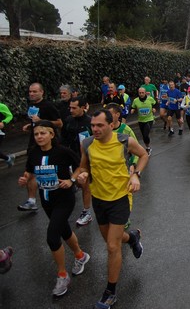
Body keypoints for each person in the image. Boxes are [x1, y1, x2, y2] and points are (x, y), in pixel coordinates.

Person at [73, 109, 148, 309]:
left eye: (100, 125)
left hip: (121, 198)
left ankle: (110, 292)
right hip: (99, 198)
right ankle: (132, 237)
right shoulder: (87, 144)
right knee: (111, 240)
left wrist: (136, 175)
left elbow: (143, 155)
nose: (95, 129)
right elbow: (83, 167)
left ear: (110, 125)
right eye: (93, 126)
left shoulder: (124, 141)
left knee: (112, 247)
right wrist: (81, 176)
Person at [18, 121, 91, 297]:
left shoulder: (63, 152)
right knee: (64, 230)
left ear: (52, 134)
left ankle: (62, 275)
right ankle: (81, 256)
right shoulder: (34, 153)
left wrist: (71, 180)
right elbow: (30, 172)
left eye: (43, 133)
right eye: (36, 134)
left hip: (64, 199)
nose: (39, 137)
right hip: (46, 200)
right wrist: (25, 179)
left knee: (52, 237)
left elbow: (80, 167)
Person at [19, 82, 63, 212]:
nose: (31, 94)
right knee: (31, 171)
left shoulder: (48, 106)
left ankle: (62, 192)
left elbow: (59, 123)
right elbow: (35, 121)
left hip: (50, 144)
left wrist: (41, 121)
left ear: (41, 92)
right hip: (33, 143)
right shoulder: (32, 105)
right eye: (30, 92)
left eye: (34, 92)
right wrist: (30, 125)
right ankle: (32, 200)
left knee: (53, 170)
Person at [61, 96, 94, 227]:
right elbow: (63, 139)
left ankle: (87, 212)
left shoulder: (90, 122)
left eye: (74, 108)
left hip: (87, 158)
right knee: (81, 184)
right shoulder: (68, 121)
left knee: (84, 183)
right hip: (72, 157)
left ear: (82, 107)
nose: (71, 110)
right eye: (70, 107)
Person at [130, 87, 156, 154]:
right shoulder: (136, 100)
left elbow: (154, 104)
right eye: (140, 93)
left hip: (149, 119)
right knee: (144, 135)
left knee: (145, 134)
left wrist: (154, 109)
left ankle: (148, 148)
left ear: (145, 93)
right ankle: (148, 147)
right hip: (141, 120)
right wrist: (132, 110)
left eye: (142, 93)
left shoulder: (150, 99)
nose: (141, 94)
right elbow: (133, 107)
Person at [0, 101, 16, 167]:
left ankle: (8, 159)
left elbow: (10, 115)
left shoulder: (1, 106)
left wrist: (3, 122)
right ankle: (8, 158)